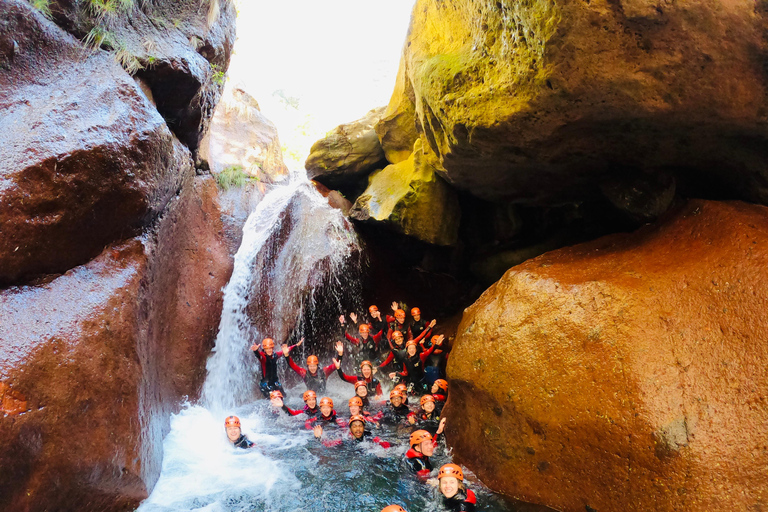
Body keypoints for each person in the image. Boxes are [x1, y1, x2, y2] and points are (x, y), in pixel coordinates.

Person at [314, 415, 391, 448]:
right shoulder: (345, 439)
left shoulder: (370, 438)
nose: (358, 429)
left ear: (364, 428)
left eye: (360, 426)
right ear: (350, 429)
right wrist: (319, 438)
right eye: (354, 426)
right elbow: (329, 444)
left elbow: (386, 445)